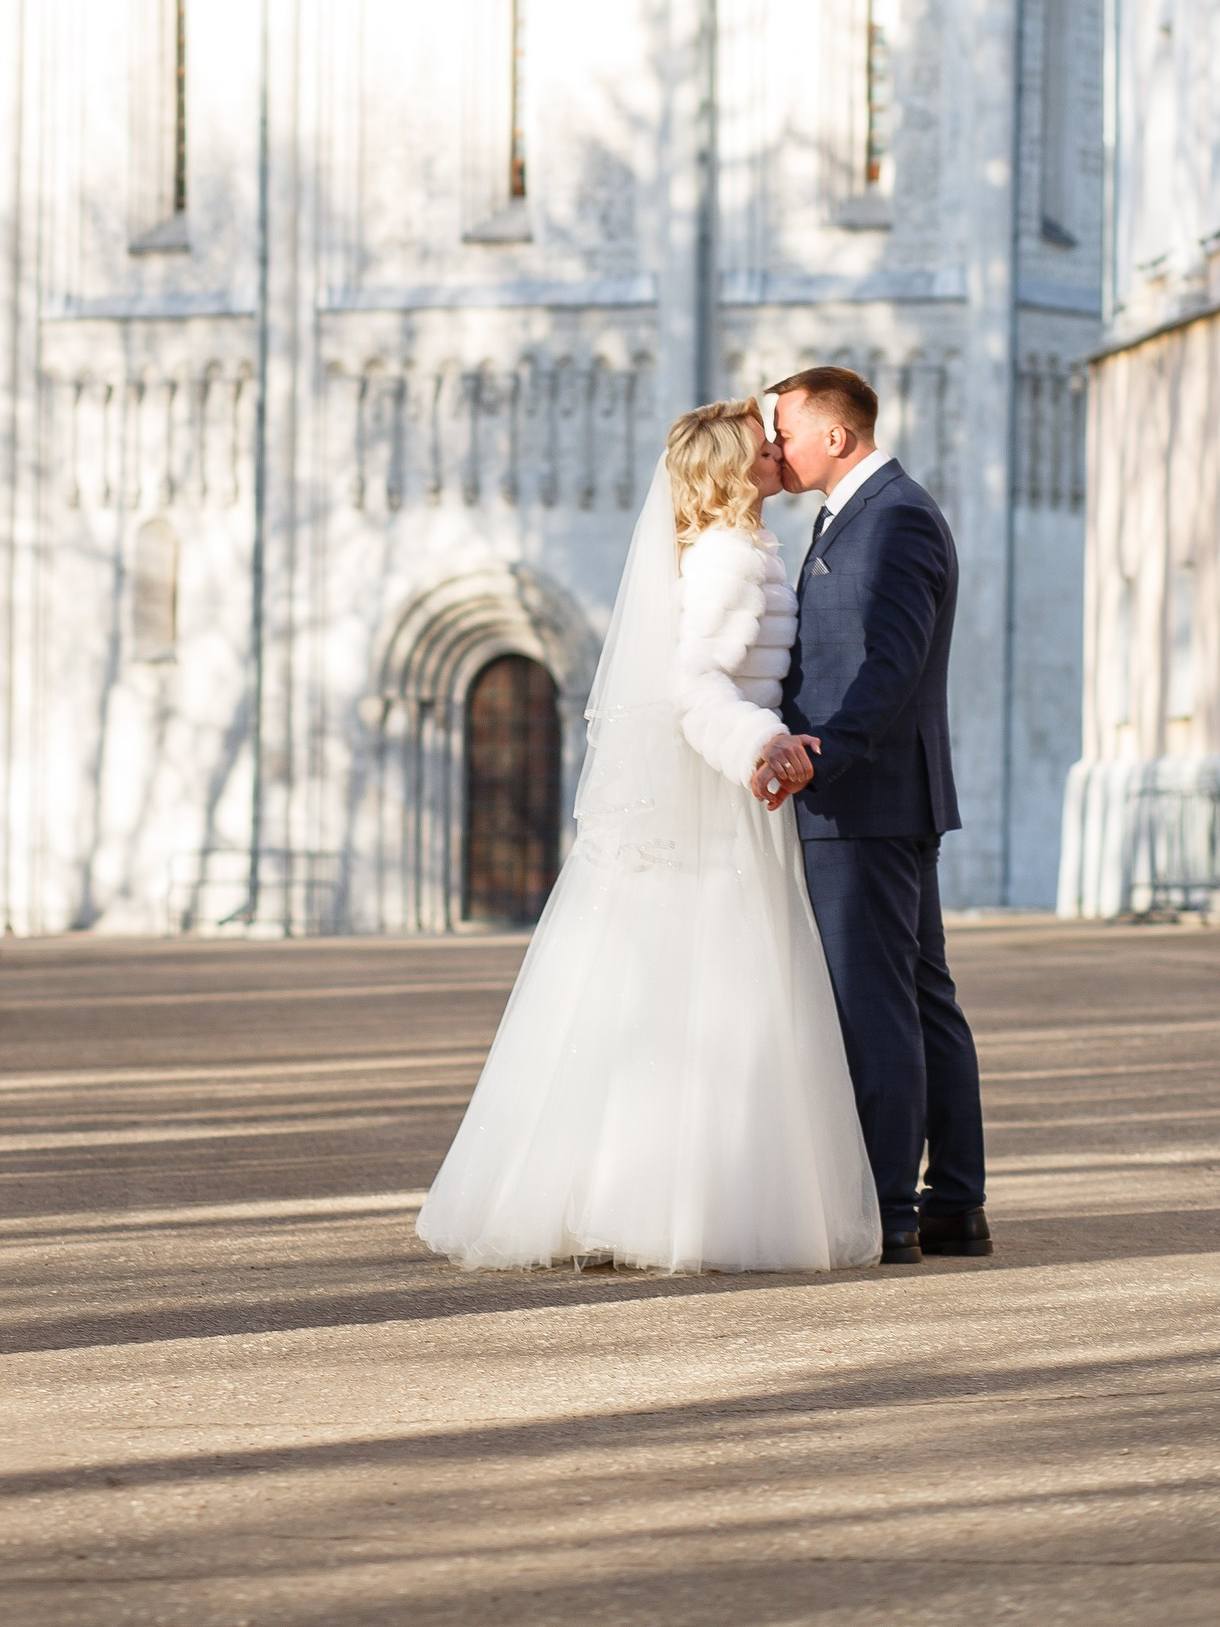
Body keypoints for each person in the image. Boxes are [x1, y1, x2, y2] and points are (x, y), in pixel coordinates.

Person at [416, 400, 878, 1274]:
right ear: (735, 471)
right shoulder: (731, 559)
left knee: (664, 995)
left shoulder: (734, 550)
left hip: (719, 792)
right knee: (711, 997)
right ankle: (668, 1203)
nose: (778, 452)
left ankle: (631, 1193)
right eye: (762, 446)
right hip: (723, 795)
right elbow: (694, 681)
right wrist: (760, 746)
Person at [751, 366, 990, 1268]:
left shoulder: (892, 517)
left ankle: (891, 1209)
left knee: (877, 1007)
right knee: (924, 999)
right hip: (881, 796)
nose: (776, 447)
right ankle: (953, 1206)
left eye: (786, 431)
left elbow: (888, 666)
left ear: (836, 437)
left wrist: (824, 752)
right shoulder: (855, 513)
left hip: (864, 799)